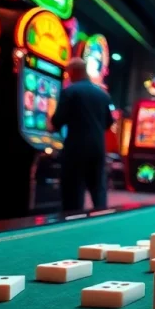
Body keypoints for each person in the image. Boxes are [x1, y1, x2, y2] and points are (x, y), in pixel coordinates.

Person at [52, 57, 115, 211]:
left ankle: (72, 222)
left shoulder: (70, 92)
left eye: (68, 73)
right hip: (98, 147)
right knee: (98, 187)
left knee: (73, 189)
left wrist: (49, 121)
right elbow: (109, 123)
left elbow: (57, 121)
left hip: (76, 147)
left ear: (73, 72)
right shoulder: (102, 95)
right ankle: (101, 218)